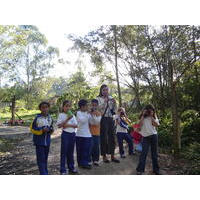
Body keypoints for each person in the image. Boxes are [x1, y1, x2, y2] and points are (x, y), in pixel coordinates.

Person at [96, 84, 120, 163]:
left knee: (112, 137)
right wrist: (104, 103)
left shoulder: (111, 98)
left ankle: (113, 156)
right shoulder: (98, 99)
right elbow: (97, 109)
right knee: (104, 138)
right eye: (104, 90)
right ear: (101, 91)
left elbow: (115, 110)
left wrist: (115, 103)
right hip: (103, 119)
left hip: (111, 119)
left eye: (106, 89)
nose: (105, 91)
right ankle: (104, 156)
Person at [30, 101, 54, 175]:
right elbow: (32, 129)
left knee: (45, 158)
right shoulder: (37, 118)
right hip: (39, 142)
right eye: (43, 107)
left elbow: (52, 128)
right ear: (40, 109)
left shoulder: (50, 118)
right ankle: (43, 173)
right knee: (41, 159)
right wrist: (41, 130)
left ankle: (44, 171)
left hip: (47, 141)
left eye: (46, 107)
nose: (45, 109)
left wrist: (50, 130)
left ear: (48, 108)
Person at [136, 104, 160, 175]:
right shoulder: (142, 117)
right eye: (148, 110)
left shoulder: (154, 116)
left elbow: (157, 125)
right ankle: (140, 170)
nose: (149, 112)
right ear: (144, 110)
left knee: (154, 154)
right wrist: (143, 116)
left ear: (153, 111)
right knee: (143, 154)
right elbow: (138, 126)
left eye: (151, 110)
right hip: (145, 137)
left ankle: (156, 170)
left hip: (154, 136)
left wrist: (151, 116)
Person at [56, 100, 78, 175]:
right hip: (65, 134)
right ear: (63, 107)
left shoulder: (73, 115)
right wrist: (68, 119)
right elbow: (59, 126)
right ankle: (63, 170)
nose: (68, 107)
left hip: (72, 134)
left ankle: (71, 168)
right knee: (64, 152)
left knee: (70, 152)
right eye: (66, 106)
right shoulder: (61, 115)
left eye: (69, 106)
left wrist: (67, 125)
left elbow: (76, 125)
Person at [76, 99, 92, 169]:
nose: (88, 107)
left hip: (87, 134)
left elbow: (92, 121)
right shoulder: (78, 113)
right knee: (80, 150)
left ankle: (85, 163)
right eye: (86, 105)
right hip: (80, 134)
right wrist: (88, 114)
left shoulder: (88, 113)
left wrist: (94, 114)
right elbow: (82, 121)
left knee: (86, 149)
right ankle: (80, 163)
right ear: (82, 107)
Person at [89, 99, 102, 166]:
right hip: (89, 133)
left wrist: (93, 115)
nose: (94, 106)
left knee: (96, 147)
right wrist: (92, 115)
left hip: (97, 132)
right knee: (90, 147)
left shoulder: (99, 113)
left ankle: (96, 160)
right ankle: (90, 160)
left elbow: (96, 123)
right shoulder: (88, 113)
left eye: (95, 105)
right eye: (92, 105)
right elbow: (90, 122)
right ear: (90, 105)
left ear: (97, 106)